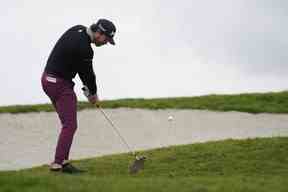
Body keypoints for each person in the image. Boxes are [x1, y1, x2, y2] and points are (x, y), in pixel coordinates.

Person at [41, 19, 116, 173]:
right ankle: (58, 163)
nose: (106, 43)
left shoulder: (77, 29)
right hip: (59, 84)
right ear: (99, 33)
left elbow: (77, 65)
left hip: (47, 79)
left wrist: (88, 90)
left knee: (67, 124)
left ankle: (63, 161)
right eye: (106, 39)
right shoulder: (86, 50)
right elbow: (88, 75)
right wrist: (93, 95)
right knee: (70, 125)